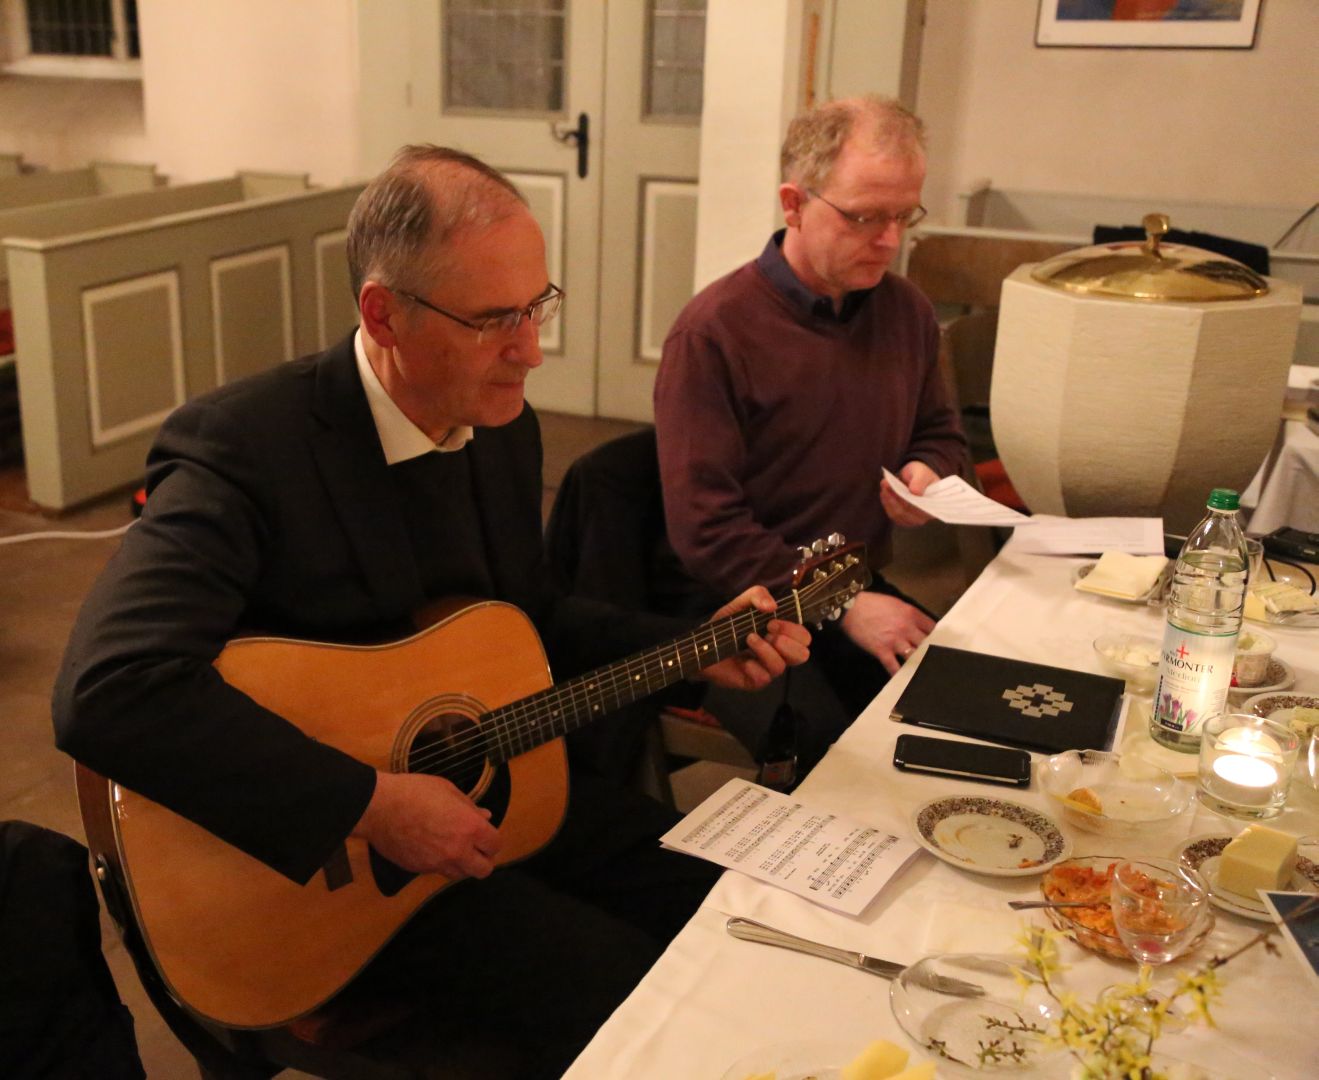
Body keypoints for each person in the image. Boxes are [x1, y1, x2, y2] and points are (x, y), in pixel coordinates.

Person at [52, 145, 809, 1077]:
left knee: (736, 901)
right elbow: (109, 690)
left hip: (494, 802)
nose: (532, 349)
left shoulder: (497, 419)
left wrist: (690, 650)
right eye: (496, 319)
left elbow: (526, 620)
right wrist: (370, 802)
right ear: (384, 314)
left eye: (538, 306)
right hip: (329, 874)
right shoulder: (246, 448)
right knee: (627, 992)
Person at [653, 95, 966, 774]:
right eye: (863, 217)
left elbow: (941, 432)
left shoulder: (904, 309)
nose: (889, 241)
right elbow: (705, 529)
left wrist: (928, 473)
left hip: (849, 583)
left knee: (960, 714)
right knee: (857, 763)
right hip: (742, 605)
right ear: (793, 204)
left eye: (902, 216)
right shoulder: (715, 332)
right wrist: (841, 601)